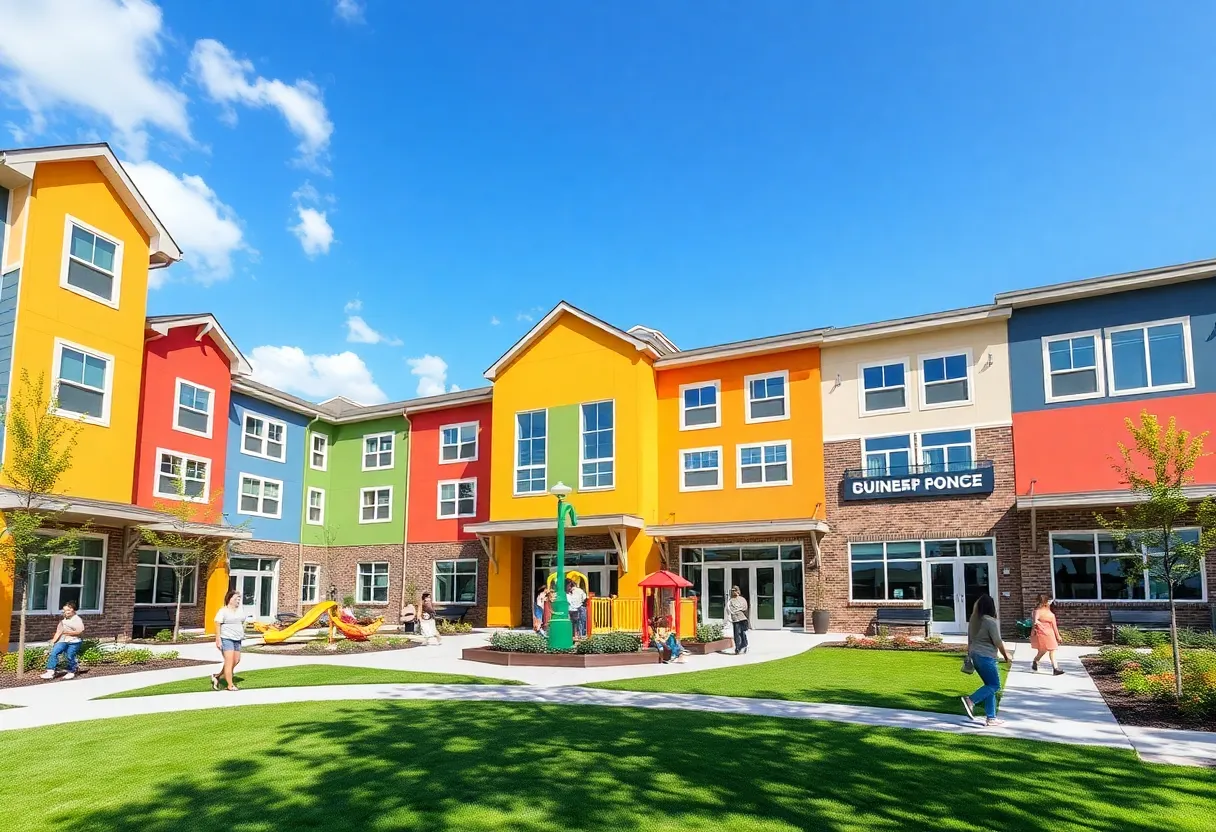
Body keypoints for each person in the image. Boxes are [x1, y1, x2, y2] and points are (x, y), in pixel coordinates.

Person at [961, 594, 1013, 726]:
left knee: (989, 686)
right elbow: (998, 642)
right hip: (986, 656)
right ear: (991, 607)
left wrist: (969, 654)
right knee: (994, 685)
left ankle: (991, 718)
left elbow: (970, 640)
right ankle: (971, 700)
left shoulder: (974, 620)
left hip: (975, 655)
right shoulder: (990, 621)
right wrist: (1006, 656)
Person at [40, 601, 85, 680]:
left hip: (74, 641)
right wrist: (53, 641)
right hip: (63, 640)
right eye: (64, 610)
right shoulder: (64, 620)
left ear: (73, 610)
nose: (66, 612)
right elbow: (58, 632)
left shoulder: (77, 619)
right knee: (54, 653)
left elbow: (80, 631)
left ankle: (72, 671)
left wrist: (67, 632)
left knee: (70, 656)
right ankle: (50, 671)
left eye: (68, 610)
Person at [212, 590, 246, 692]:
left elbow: (242, 621)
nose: (238, 601)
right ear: (230, 599)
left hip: (237, 638)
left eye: (239, 599)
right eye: (236, 599)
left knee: (236, 660)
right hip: (226, 638)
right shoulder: (223, 611)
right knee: (229, 661)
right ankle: (230, 685)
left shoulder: (240, 611)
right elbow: (217, 623)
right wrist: (218, 639)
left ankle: (217, 676)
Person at [1030, 594, 1064, 676]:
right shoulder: (1037, 611)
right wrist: (1039, 627)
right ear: (1045, 602)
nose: (1050, 603)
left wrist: (1058, 636)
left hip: (1050, 633)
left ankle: (1053, 667)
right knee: (1044, 650)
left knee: (1049, 651)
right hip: (1041, 633)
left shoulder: (1050, 613)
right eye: (1049, 601)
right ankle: (1053, 668)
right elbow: (1035, 621)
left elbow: (1054, 626)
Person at [727, 586, 749, 655]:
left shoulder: (742, 599)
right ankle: (738, 647)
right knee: (737, 633)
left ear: (738, 591)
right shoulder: (730, 601)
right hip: (735, 619)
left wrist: (738, 609)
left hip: (742, 618)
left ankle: (744, 645)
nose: (734, 592)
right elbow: (729, 609)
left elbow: (745, 608)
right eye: (733, 591)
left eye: (735, 590)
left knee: (742, 632)